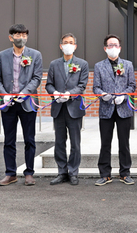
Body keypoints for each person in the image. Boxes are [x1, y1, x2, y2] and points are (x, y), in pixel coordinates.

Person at [0, 23, 43, 186]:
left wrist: (24, 93)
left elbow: (37, 78)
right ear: (11, 37)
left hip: (27, 102)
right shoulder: (2, 55)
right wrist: (4, 94)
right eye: (17, 35)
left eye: (23, 35)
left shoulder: (35, 55)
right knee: (9, 139)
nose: (21, 38)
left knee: (29, 139)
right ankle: (10, 173)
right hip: (8, 104)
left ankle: (29, 172)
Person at [45, 33, 89, 186]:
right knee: (59, 141)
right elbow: (48, 84)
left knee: (75, 143)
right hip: (58, 107)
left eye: (71, 42)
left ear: (75, 46)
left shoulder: (82, 64)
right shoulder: (54, 64)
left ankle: (73, 171)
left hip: (74, 107)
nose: (68, 45)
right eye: (65, 42)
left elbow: (82, 85)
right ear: (60, 46)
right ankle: (61, 172)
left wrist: (69, 94)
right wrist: (55, 93)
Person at [93, 34, 136, 186]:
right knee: (105, 142)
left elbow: (132, 85)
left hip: (123, 109)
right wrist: (102, 95)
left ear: (120, 48)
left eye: (116, 45)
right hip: (106, 108)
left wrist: (124, 96)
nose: (113, 48)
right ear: (105, 48)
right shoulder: (99, 66)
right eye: (110, 45)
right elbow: (96, 88)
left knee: (124, 142)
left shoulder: (128, 65)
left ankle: (125, 173)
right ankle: (105, 174)